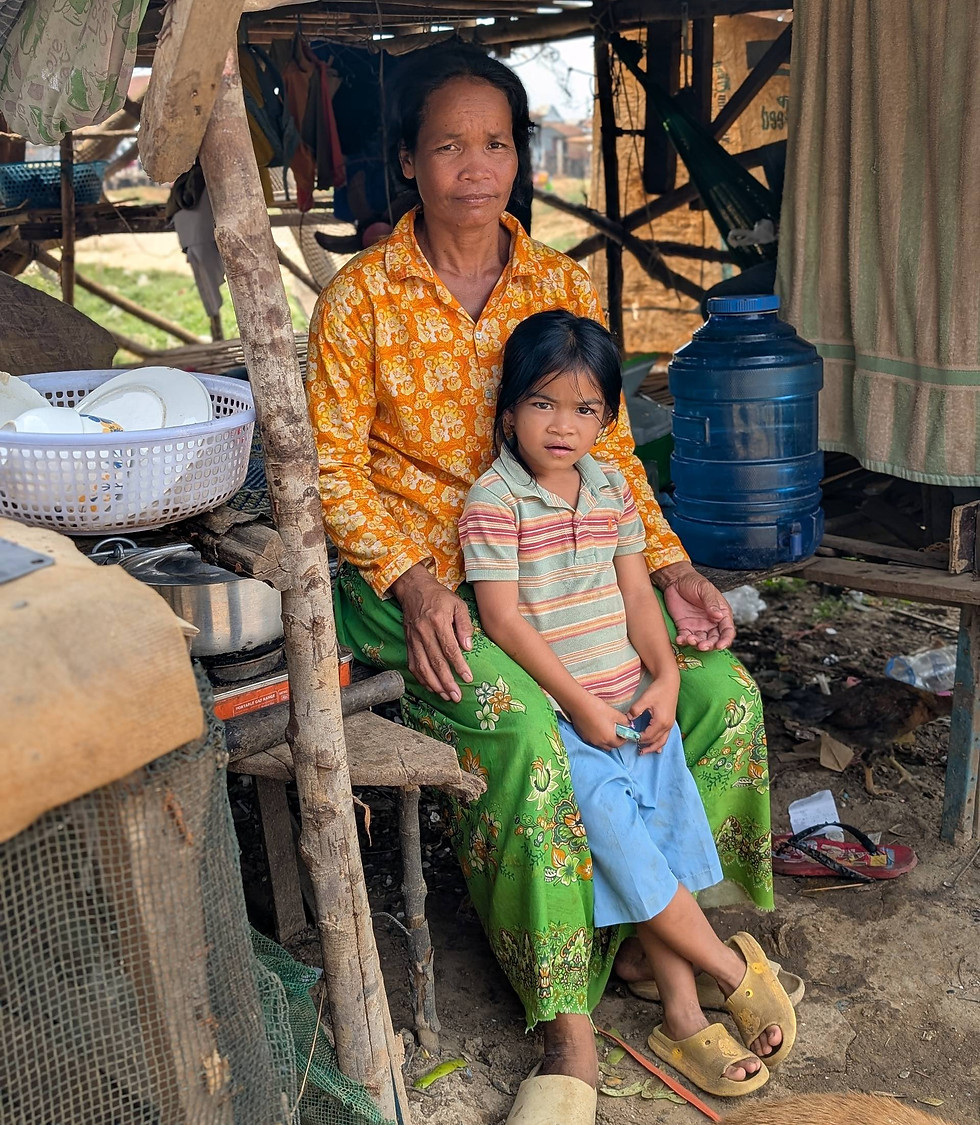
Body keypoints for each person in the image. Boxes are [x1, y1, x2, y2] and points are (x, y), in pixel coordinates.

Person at [306, 41, 773, 1118]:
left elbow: (600, 459)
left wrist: (670, 567)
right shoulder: (363, 297)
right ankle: (570, 1035)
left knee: (713, 693)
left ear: (518, 156)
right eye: (449, 145)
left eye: (498, 143)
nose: (477, 167)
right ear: (409, 163)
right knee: (522, 731)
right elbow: (329, 470)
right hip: (421, 583)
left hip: (567, 571)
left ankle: (669, 952)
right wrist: (414, 580)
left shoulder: (557, 283)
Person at [459, 310, 795, 1098]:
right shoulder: (494, 500)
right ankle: (729, 965)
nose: (563, 425)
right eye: (543, 404)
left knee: (662, 847)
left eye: (585, 410)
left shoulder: (610, 486)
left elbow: (639, 594)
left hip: (639, 706)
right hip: (572, 718)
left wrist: (668, 675)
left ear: (608, 419)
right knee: (625, 842)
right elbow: (503, 618)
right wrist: (576, 704)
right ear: (508, 410)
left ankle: (682, 1015)